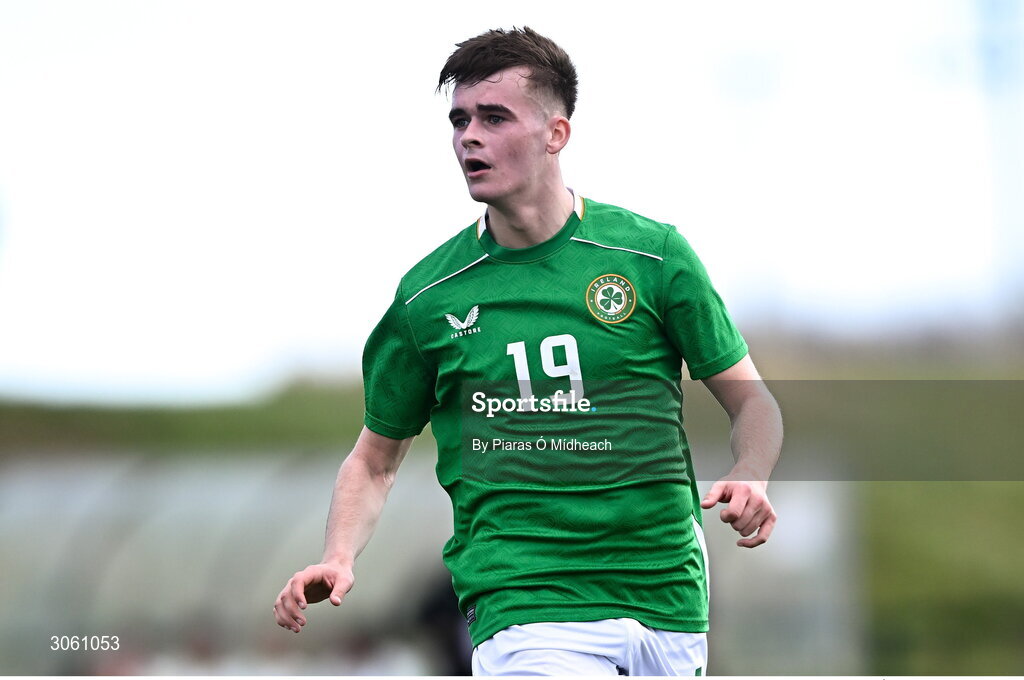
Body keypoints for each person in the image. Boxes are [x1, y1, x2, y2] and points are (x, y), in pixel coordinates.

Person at [274, 26, 783, 676]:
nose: (468, 137)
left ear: (555, 134)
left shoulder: (652, 257)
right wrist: (339, 555)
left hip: (666, 597)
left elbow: (753, 402)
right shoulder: (428, 298)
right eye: (459, 120)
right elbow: (374, 461)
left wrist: (751, 471)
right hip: (524, 605)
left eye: (493, 117)